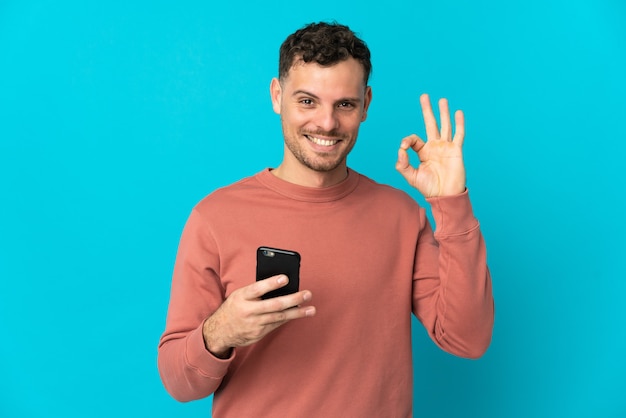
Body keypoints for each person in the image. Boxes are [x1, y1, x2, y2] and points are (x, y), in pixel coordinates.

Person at [158, 21, 494, 417]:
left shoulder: (401, 216)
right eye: (307, 101)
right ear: (276, 95)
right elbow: (179, 383)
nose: (327, 123)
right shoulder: (215, 217)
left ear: (366, 104)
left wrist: (451, 202)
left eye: (344, 104)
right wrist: (219, 333)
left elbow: (467, 339)